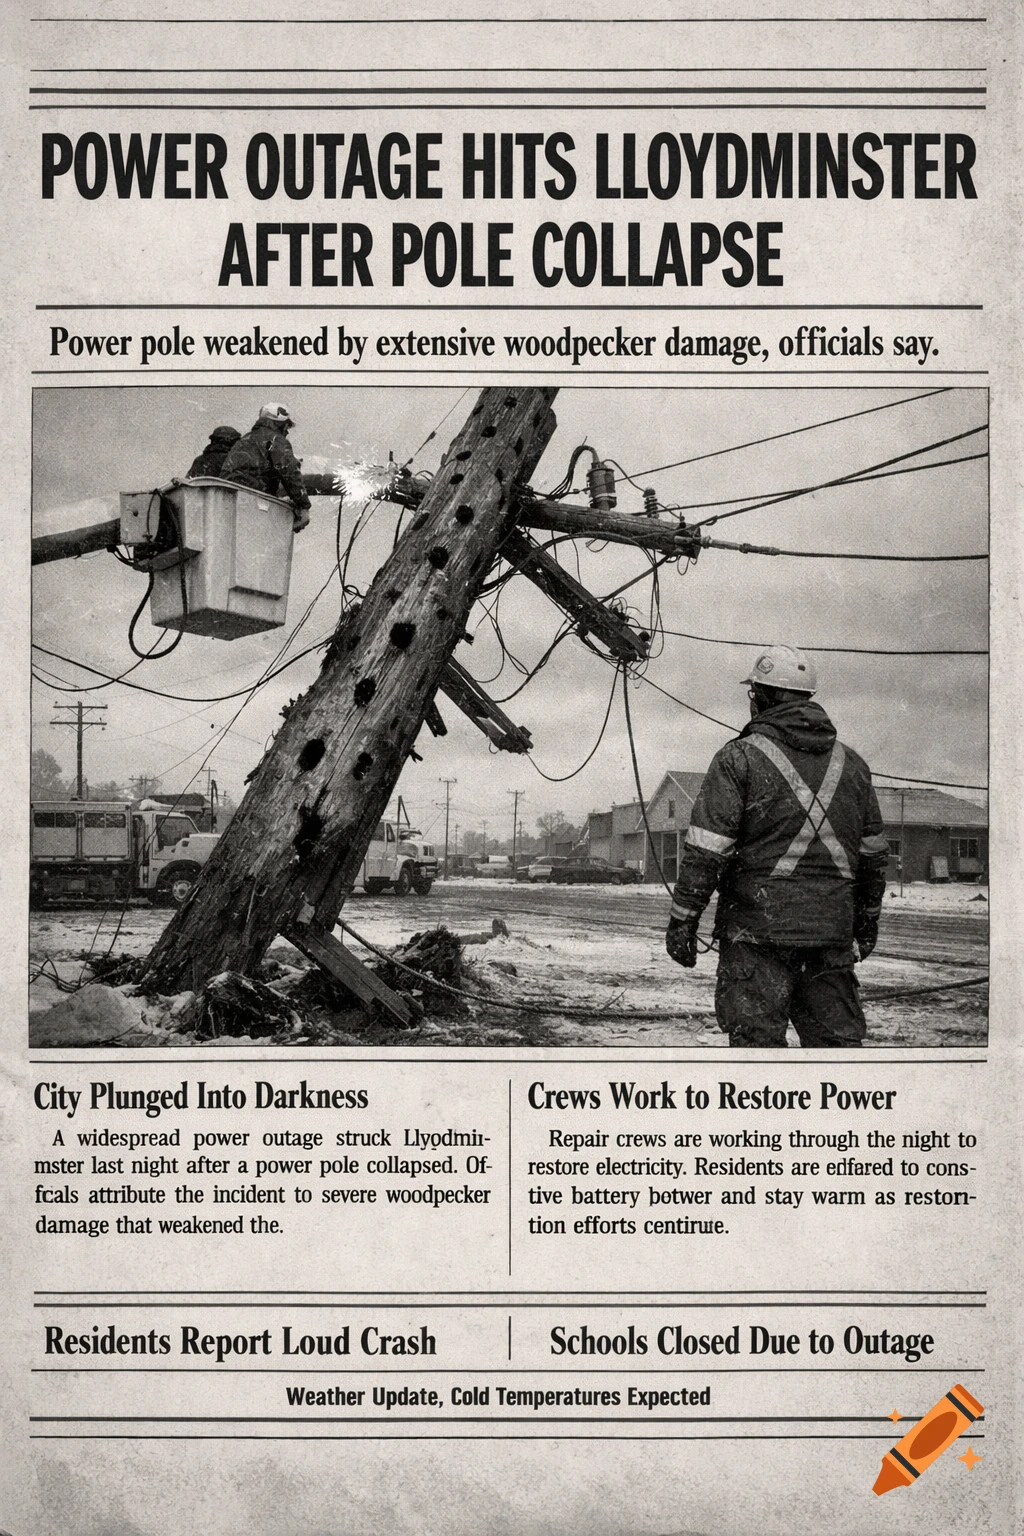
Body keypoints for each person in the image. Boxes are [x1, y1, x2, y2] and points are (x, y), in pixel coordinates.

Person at [665, 644, 889, 1048]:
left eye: (753, 694)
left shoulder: (738, 758)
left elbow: (707, 853)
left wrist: (683, 920)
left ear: (762, 697)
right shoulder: (853, 765)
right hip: (830, 943)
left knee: (757, 1063)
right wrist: (867, 921)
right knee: (837, 1063)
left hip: (757, 942)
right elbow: (873, 857)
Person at [219, 402, 312, 531]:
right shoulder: (276, 440)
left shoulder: (244, 441)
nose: (287, 432)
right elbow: (289, 471)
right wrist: (303, 506)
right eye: (287, 427)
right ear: (280, 424)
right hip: (256, 503)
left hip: (229, 504)